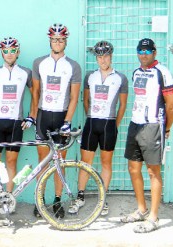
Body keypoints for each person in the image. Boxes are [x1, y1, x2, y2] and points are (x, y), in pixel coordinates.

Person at [121, 38, 173, 233]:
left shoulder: (163, 72)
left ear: (154, 52)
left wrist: (166, 128)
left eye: (147, 51)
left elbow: (172, 105)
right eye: (140, 51)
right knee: (133, 168)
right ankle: (141, 210)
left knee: (153, 172)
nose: (143, 54)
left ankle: (153, 217)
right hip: (135, 125)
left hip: (154, 126)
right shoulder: (136, 72)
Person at [68, 41, 128, 216]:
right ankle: (80, 197)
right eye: (99, 56)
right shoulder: (90, 76)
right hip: (92, 123)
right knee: (85, 163)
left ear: (111, 56)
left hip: (109, 124)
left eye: (106, 56)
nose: (103, 60)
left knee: (106, 163)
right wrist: (90, 117)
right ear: (96, 58)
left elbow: (123, 105)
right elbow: (85, 100)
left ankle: (103, 198)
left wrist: (114, 124)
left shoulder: (120, 78)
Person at [31, 23, 82, 218]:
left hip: (61, 116)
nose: (58, 42)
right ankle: (40, 199)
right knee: (42, 161)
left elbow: (75, 96)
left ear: (66, 41)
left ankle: (58, 200)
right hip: (44, 115)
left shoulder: (73, 66)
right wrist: (34, 116)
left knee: (60, 161)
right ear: (50, 41)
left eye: (61, 39)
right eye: (54, 39)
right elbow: (35, 92)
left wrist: (68, 121)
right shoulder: (39, 63)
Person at [0, 37, 34, 194]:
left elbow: (36, 95)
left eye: (12, 50)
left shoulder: (26, 72)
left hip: (16, 123)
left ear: (18, 52)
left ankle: (8, 196)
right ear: (1, 52)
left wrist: (31, 116)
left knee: (11, 162)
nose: (9, 54)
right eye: (5, 51)